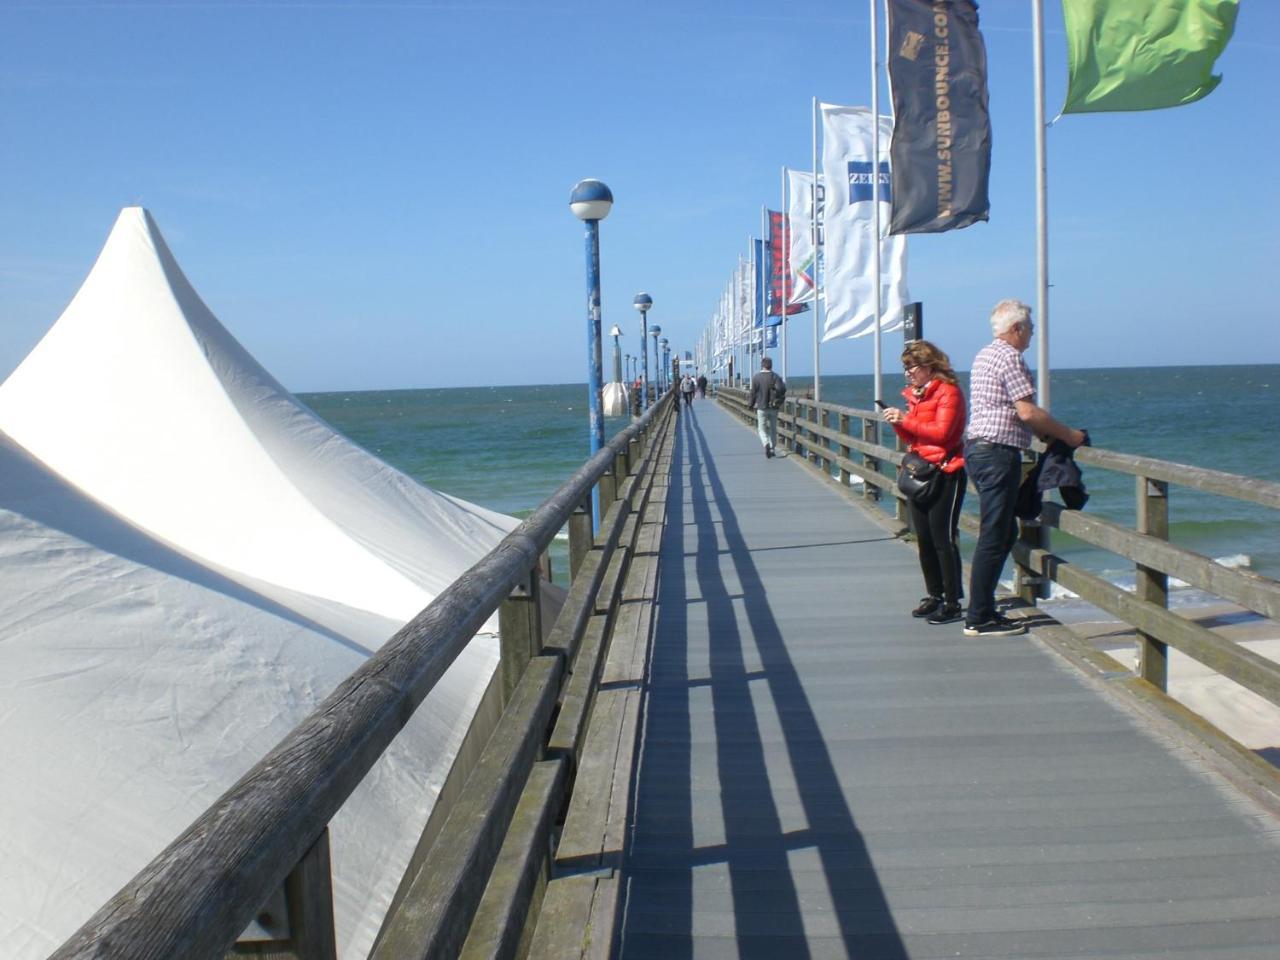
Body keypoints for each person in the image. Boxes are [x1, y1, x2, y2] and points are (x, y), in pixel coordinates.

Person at [963, 299, 1086, 637]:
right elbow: (1027, 411)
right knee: (994, 533)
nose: (1032, 334)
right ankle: (979, 617)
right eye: (1030, 328)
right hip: (997, 454)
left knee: (1003, 532)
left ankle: (983, 608)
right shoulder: (1010, 357)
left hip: (980, 450)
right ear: (1015, 328)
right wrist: (1069, 436)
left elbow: (1010, 411)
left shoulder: (984, 354)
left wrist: (1045, 435)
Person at [882, 341, 967, 625]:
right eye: (905, 368)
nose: (907, 373)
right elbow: (914, 438)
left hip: (945, 471)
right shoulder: (917, 396)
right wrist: (898, 421)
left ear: (929, 365)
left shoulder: (948, 392)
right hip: (920, 471)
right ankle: (935, 595)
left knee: (943, 539)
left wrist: (906, 418)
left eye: (911, 367)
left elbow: (942, 434)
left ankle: (953, 600)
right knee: (924, 539)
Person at [748, 357, 783, 459]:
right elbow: (782, 389)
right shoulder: (776, 376)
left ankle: (766, 443)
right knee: (773, 428)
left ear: (762, 365)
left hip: (761, 406)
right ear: (771, 365)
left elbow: (753, 393)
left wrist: (750, 404)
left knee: (761, 429)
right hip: (774, 406)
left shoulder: (756, 377)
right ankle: (772, 448)